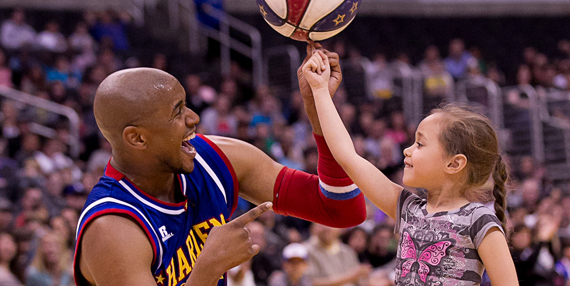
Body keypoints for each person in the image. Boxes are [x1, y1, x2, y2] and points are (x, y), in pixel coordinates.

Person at [73, 43, 366, 286]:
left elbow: (341, 210)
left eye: (186, 104)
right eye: (177, 114)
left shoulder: (214, 158)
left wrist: (319, 109)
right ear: (137, 138)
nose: (193, 118)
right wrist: (208, 269)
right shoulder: (112, 227)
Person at [302, 50, 518, 285]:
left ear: (454, 163)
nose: (407, 150)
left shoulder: (479, 219)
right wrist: (321, 90)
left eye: (420, 143)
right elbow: (347, 156)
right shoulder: (408, 209)